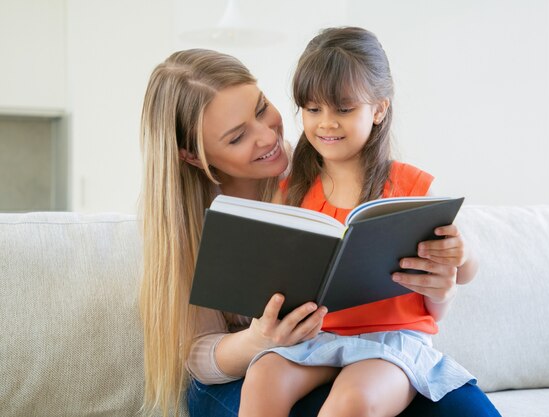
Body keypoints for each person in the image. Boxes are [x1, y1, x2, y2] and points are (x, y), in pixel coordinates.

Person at [138, 48, 501, 417]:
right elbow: (197, 357)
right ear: (194, 157)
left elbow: (438, 282)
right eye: (237, 137)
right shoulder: (183, 225)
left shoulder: (321, 167)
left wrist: (444, 287)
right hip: (253, 369)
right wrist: (259, 339)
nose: (267, 137)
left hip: (368, 349)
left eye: (262, 108)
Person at [238, 27, 498, 417]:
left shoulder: (412, 186)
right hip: (316, 336)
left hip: (391, 341)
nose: (326, 123)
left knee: (354, 400)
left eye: (343, 109)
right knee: (262, 376)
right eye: (313, 109)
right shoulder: (291, 188)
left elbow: (464, 269)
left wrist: (463, 254)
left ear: (378, 109)